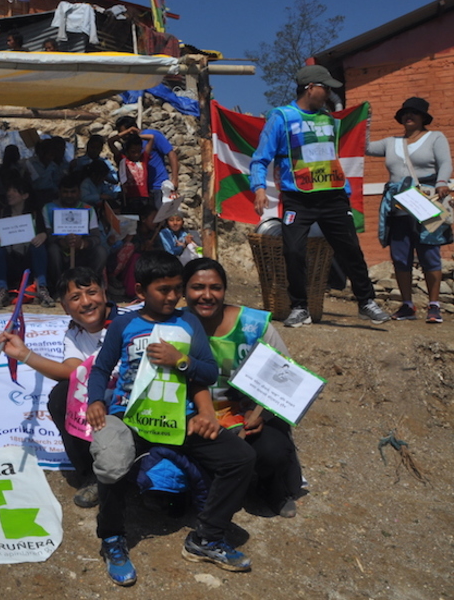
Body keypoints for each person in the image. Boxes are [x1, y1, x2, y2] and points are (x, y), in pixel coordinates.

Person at [86, 250, 254, 585]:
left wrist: (181, 360)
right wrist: (95, 402)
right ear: (140, 290)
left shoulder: (188, 323)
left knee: (240, 458)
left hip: (178, 419)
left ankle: (207, 537)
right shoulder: (123, 324)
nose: (173, 296)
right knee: (111, 460)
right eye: (163, 290)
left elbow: (208, 372)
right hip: (131, 418)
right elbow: (101, 368)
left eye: (177, 288)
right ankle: (112, 537)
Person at [250, 64, 390, 327]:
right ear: (310, 88)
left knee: (351, 249)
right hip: (298, 198)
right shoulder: (281, 117)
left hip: (333, 196)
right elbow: (260, 158)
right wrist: (259, 188)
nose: (328, 93)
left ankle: (366, 302)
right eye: (325, 88)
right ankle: (299, 307)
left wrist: (346, 192)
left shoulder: (327, 118)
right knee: (293, 251)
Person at [0, 267, 134, 508]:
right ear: (64, 307)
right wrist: (22, 354)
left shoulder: (128, 322)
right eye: (75, 297)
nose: (86, 302)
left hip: (131, 399)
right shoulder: (74, 332)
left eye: (92, 292)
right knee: (62, 394)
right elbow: (72, 372)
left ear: (104, 293)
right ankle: (91, 474)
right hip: (100, 400)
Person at [183, 258, 303, 517]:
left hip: (246, 418)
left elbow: (287, 377)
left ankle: (271, 487)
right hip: (194, 418)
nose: (206, 295)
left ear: (225, 290)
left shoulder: (254, 325)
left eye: (215, 288)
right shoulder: (174, 326)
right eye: (197, 287)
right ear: (184, 290)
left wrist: (262, 414)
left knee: (272, 451)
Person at [367, 97, 452, 324]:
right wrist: (365, 122)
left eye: (414, 113)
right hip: (398, 206)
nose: (409, 116)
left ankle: (434, 305)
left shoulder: (435, 138)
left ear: (423, 117)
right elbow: (365, 147)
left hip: (426, 201)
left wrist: (442, 181)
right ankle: (407, 305)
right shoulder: (391, 143)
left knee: (429, 253)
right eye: (405, 113)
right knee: (400, 256)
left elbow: (445, 162)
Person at [0, 178, 53, 308]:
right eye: (9, 191)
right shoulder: (2, 213)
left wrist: (43, 235)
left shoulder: (34, 214)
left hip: (28, 261)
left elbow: (45, 233)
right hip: (9, 261)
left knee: (38, 246)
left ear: (25, 195)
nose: (9, 194)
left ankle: (42, 288)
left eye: (15, 191)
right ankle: (1, 290)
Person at [42, 174, 108, 286]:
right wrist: (62, 242)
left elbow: (96, 237)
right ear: (59, 192)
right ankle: (59, 287)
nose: (69, 195)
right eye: (65, 192)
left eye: (73, 192)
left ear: (79, 193)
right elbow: (47, 236)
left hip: (81, 253)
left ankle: (88, 285)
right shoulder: (48, 208)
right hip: (60, 253)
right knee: (52, 250)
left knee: (101, 251)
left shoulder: (88, 209)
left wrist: (82, 243)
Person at [109, 115, 178, 206]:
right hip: (140, 192)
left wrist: (174, 179)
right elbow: (111, 142)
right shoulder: (127, 149)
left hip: (158, 185)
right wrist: (127, 133)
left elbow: (171, 154)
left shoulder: (151, 139)